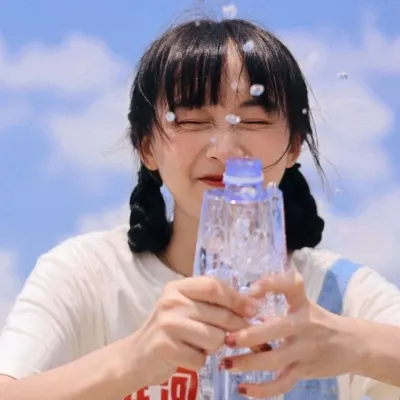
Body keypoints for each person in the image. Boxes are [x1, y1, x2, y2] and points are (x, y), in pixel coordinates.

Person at [1, 17, 400, 400]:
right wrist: (134, 358)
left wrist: (350, 343)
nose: (225, 151)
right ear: (146, 147)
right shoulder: (88, 276)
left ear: (294, 145)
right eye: (191, 121)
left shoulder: (340, 295)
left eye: (254, 120)